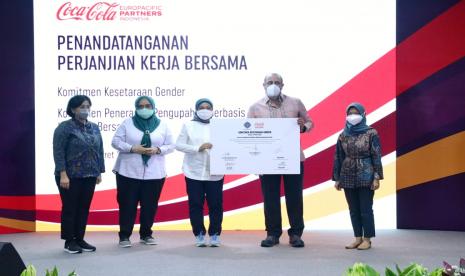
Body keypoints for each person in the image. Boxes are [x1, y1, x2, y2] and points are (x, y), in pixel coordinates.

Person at [248, 73, 313, 248]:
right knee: (270, 198)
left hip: (293, 157)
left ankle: (296, 234)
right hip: (267, 160)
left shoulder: (295, 102)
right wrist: (254, 161)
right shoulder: (255, 108)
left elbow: (309, 122)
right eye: (270, 82)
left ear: (283, 85)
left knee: (295, 197)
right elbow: (248, 135)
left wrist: (303, 126)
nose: (273, 85)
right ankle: (272, 234)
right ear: (263, 85)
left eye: (277, 82)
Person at [111, 96, 174, 248]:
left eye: (147, 105)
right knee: (127, 205)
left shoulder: (163, 125)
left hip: (154, 173)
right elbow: (115, 142)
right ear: (136, 107)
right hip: (128, 171)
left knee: (150, 205)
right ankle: (124, 236)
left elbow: (171, 145)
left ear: (153, 107)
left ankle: (146, 234)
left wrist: (159, 150)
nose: (144, 109)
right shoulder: (127, 123)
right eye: (140, 106)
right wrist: (132, 148)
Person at [53, 95, 105, 254]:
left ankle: (80, 239)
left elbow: (99, 150)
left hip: (89, 175)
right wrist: (62, 173)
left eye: (88, 106)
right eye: (82, 107)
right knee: (70, 208)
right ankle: (69, 241)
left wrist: (99, 171)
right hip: (69, 176)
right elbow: (58, 151)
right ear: (73, 109)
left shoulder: (94, 127)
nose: (86, 110)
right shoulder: (64, 127)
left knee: (83, 208)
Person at [332, 102, 383, 250]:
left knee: (365, 208)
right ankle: (357, 238)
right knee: (353, 208)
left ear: (363, 114)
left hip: (366, 173)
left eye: (356, 113)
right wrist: (337, 178)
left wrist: (376, 176)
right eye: (350, 113)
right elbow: (338, 156)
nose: (352, 116)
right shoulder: (343, 135)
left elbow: (376, 155)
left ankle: (367, 239)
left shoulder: (371, 133)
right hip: (347, 173)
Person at [175, 98, 224, 247]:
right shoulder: (188, 125)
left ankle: (215, 234)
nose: (205, 109)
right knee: (195, 204)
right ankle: (199, 234)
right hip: (193, 171)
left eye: (208, 107)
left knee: (215, 204)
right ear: (196, 109)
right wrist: (197, 148)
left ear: (213, 109)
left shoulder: (221, 126)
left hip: (215, 172)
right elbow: (178, 145)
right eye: (201, 107)